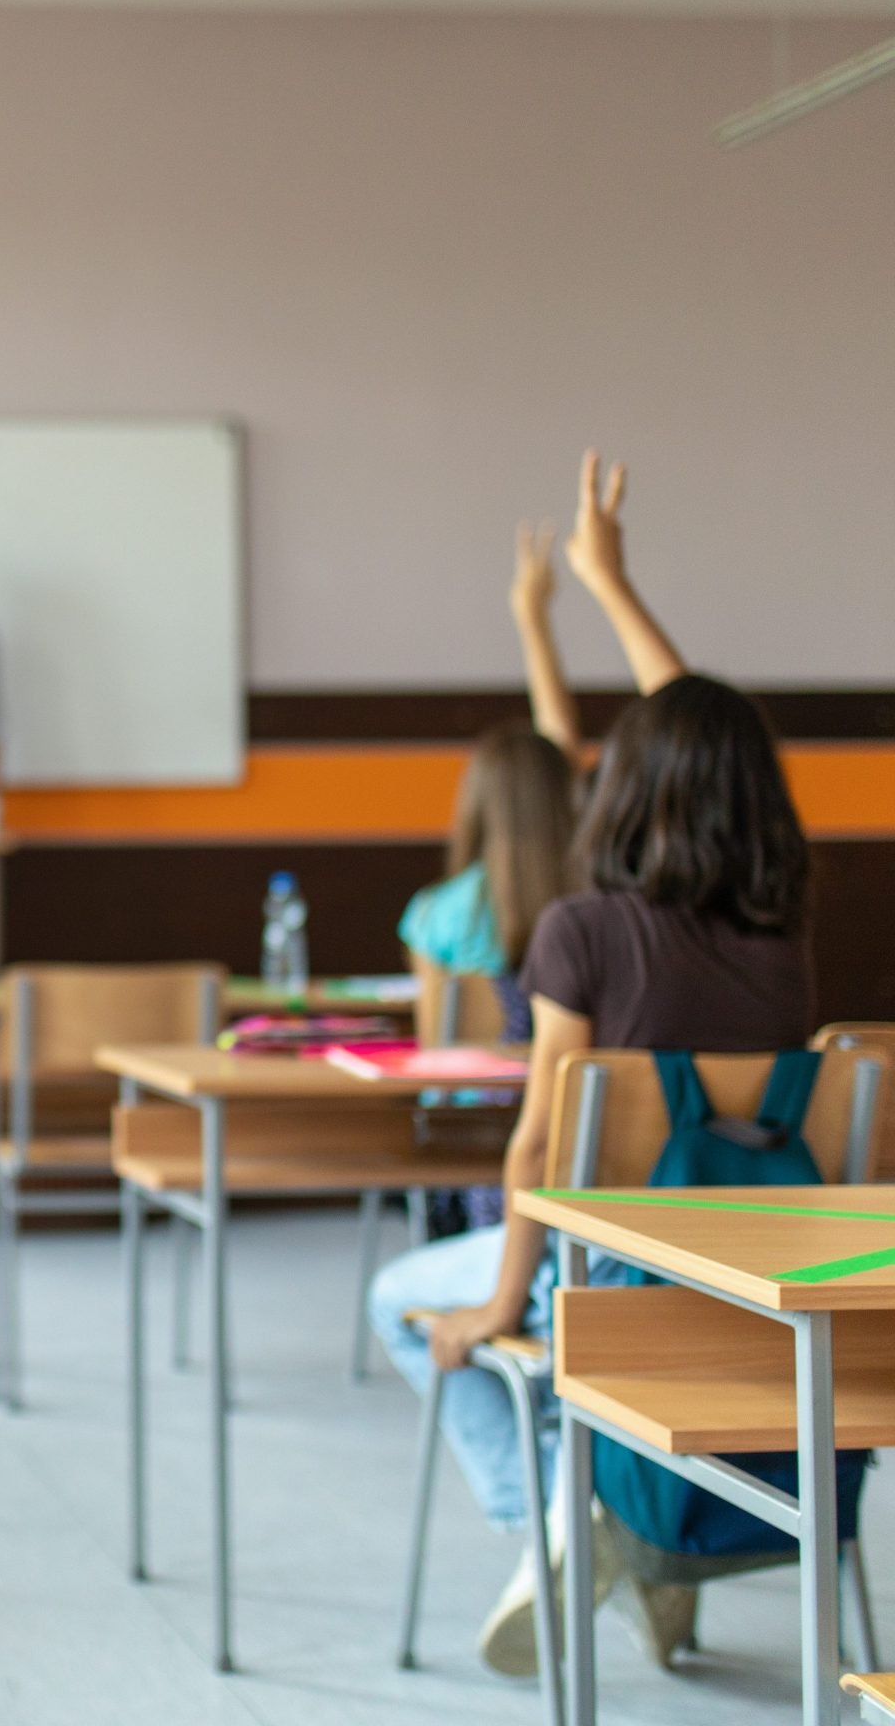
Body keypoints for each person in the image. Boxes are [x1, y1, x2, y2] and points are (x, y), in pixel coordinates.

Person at [369, 455, 804, 1682]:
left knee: (400, 1299)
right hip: (754, 1274)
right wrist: (610, 587)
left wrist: (503, 1304)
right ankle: (602, 1530)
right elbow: (710, 743)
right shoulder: (783, 939)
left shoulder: (581, 929)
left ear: (622, 795)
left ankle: (557, 1529)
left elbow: (537, 1146)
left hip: (606, 1273)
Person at [399, 527, 582, 1051]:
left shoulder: (436, 915)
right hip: (573, 1120)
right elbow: (561, 749)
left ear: (476, 804)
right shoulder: (596, 900)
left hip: (466, 1122)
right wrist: (534, 618)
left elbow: (437, 1050)